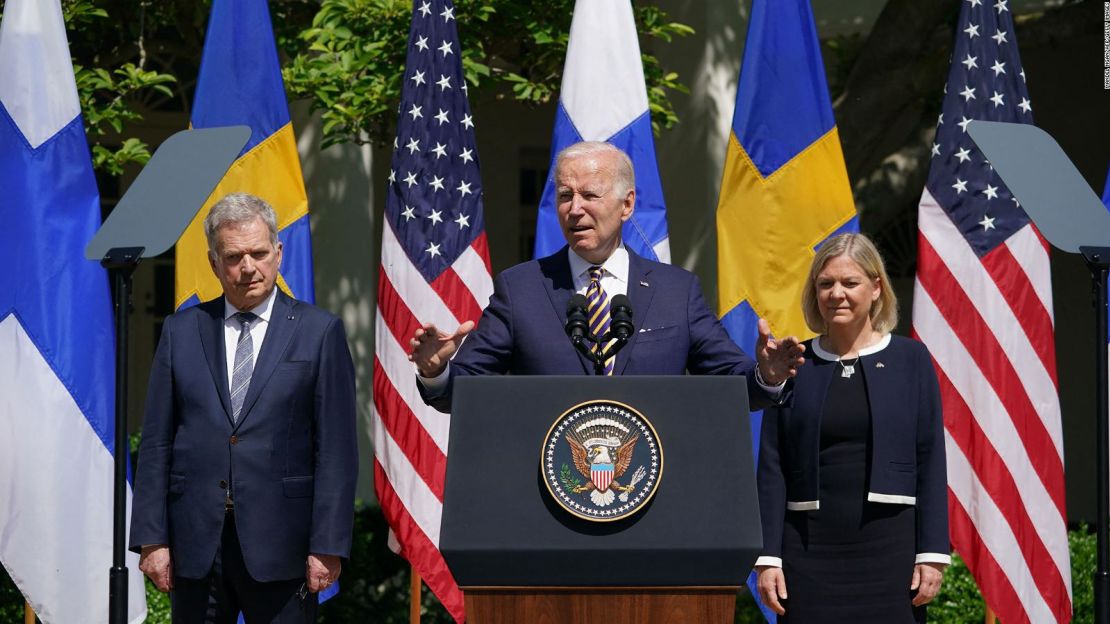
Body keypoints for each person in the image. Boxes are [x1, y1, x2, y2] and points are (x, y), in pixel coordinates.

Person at [410, 141, 804, 411]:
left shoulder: (675, 291)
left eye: (590, 195)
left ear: (627, 205)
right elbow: (463, 392)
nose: (575, 209)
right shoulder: (522, 289)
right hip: (553, 494)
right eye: (565, 196)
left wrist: (766, 376)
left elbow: (731, 382)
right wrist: (436, 372)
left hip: (652, 493)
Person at [129, 193, 358, 623]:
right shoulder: (182, 331)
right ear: (214, 263)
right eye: (234, 257)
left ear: (278, 253)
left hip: (283, 544)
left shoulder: (319, 332)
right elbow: (158, 440)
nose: (248, 267)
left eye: (258, 253)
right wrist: (151, 538)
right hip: (196, 543)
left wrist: (327, 544)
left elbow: (336, 450)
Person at [754, 233, 948, 623]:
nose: (836, 294)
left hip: (891, 553)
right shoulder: (794, 362)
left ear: (876, 288)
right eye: (825, 284)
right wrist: (767, 557)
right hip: (807, 553)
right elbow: (772, 466)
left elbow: (930, 458)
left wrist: (932, 553)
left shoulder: (911, 359)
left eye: (850, 283)